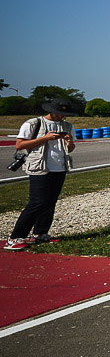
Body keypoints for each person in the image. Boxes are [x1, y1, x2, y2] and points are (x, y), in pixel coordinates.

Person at [5, 98, 78, 251]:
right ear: (51, 110)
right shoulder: (33, 123)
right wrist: (45, 138)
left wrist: (69, 141)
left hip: (59, 167)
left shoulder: (67, 126)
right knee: (37, 202)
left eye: (64, 114)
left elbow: (70, 149)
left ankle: (40, 233)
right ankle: (15, 237)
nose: (61, 116)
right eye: (58, 113)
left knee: (50, 202)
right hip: (39, 167)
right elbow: (19, 145)